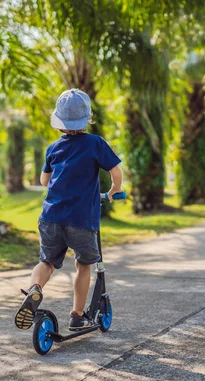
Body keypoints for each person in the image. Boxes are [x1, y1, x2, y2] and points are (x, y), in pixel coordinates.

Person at [14, 88, 123, 331]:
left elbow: (45, 181)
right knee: (83, 265)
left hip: (51, 218)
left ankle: (35, 289)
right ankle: (76, 315)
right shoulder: (95, 144)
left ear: (59, 121)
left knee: (47, 262)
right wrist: (115, 189)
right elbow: (115, 171)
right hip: (81, 220)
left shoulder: (53, 148)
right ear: (87, 118)